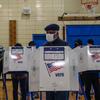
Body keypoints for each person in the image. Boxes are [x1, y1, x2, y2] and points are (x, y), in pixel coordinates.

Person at [44, 24, 69, 100]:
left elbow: (68, 62)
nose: (49, 34)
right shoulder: (45, 45)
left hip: (61, 78)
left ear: (57, 33)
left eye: (51, 33)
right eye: (47, 33)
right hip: (49, 78)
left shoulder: (64, 44)